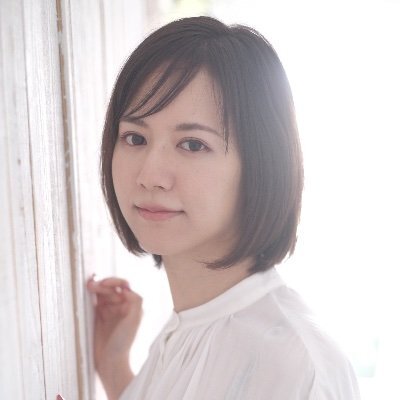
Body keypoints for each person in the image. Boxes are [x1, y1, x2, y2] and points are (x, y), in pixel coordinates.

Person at [87, 16, 360, 400]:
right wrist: (114, 366)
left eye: (193, 144)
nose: (150, 176)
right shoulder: (183, 335)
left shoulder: (294, 367)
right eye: (135, 138)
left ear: (260, 165)